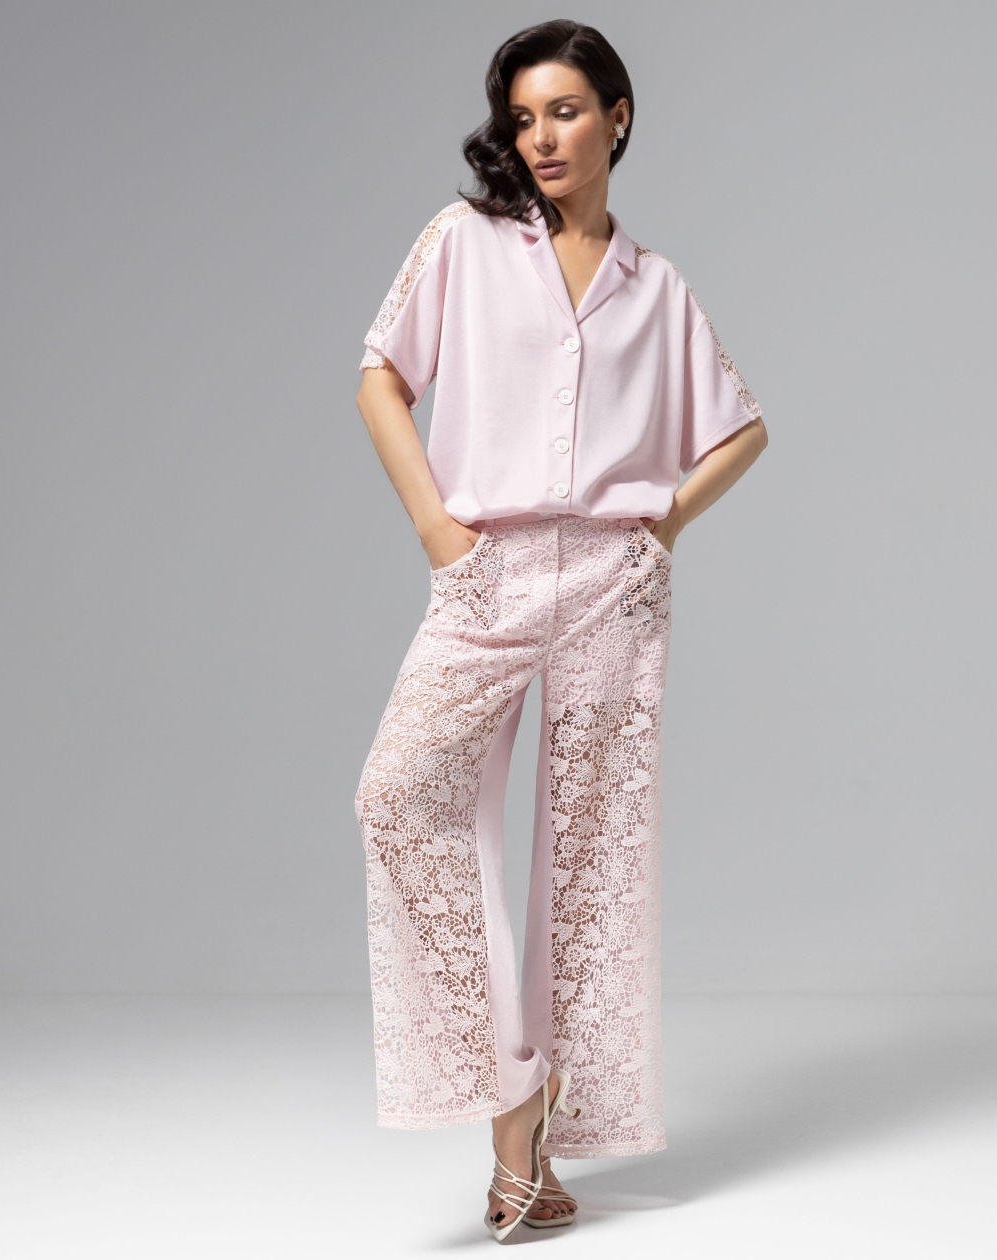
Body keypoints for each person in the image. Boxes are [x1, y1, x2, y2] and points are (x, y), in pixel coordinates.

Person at [353, 19, 767, 1240]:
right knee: (398, 797)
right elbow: (380, 376)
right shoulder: (463, 242)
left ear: (617, 118)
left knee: (590, 869)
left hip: (608, 586)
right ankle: (515, 1088)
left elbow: (742, 428)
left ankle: (524, 1166)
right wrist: (438, 529)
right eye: (524, 117)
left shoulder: (657, 286)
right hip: (483, 573)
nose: (541, 137)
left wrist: (658, 529)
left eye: (567, 111)